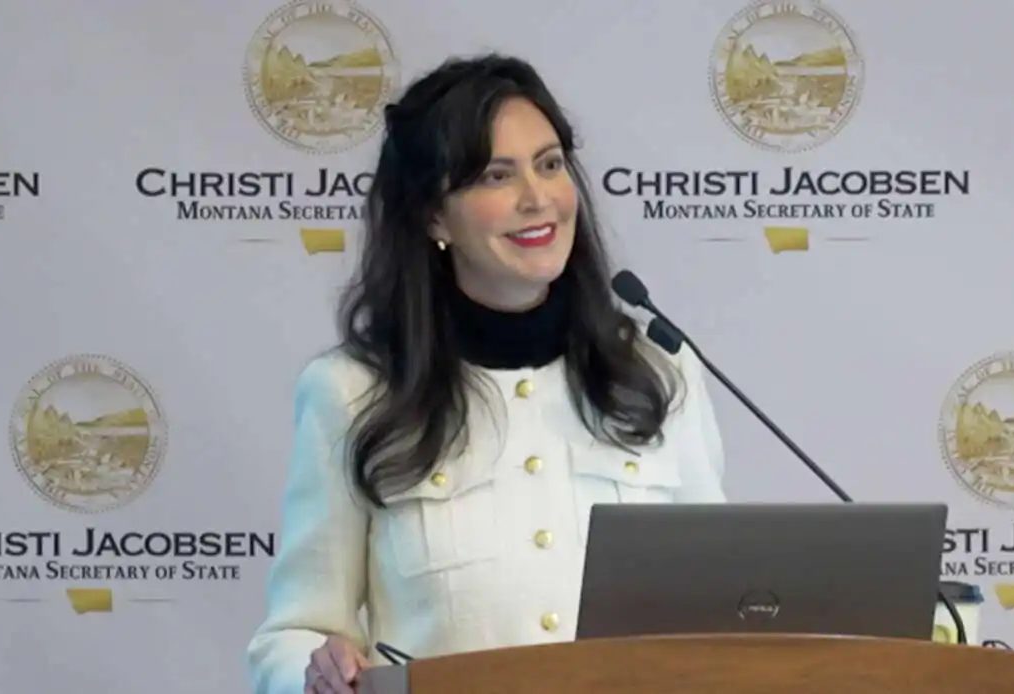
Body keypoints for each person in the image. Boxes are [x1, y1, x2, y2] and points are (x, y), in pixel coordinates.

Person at [244, 54, 729, 694]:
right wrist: (315, 674)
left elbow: (722, 612)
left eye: (550, 164)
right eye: (497, 176)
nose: (538, 199)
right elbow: (295, 633)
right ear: (434, 217)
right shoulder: (352, 393)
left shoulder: (659, 368)